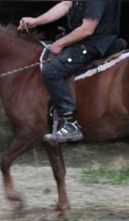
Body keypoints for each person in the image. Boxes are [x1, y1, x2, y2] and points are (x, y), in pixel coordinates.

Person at [17, 0, 121, 143]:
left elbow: (87, 29)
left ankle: (70, 124)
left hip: (93, 43)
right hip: (84, 40)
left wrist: (60, 43)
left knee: (52, 71)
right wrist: (36, 21)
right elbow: (66, 4)